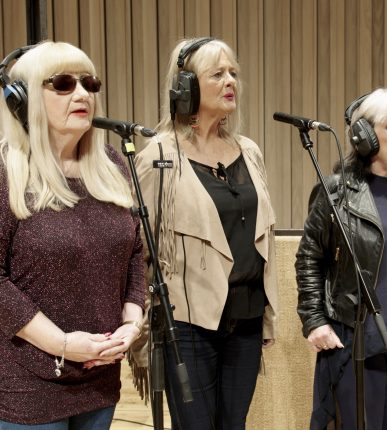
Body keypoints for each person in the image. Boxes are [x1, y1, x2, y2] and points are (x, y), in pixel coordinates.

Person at [133, 37, 278, 429]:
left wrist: (266, 317)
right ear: (186, 87)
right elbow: (139, 247)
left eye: (233, 73)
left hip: (245, 319)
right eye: (217, 74)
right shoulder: (159, 157)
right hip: (188, 325)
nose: (230, 80)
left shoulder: (249, 151)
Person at [0, 41, 146, 429]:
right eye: (63, 84)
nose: (82, 94)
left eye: (89, 83)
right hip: (27, 384)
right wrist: (63, 346)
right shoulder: (6, 171)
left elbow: (134, 254)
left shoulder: (112, 164)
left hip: (100, 374)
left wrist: (131, 326)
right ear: (22, 99)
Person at [295, 88, 387, 429]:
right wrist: (314, 320)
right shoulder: (337, 192)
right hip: (359, 338)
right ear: (364, 136)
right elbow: (310, 258)